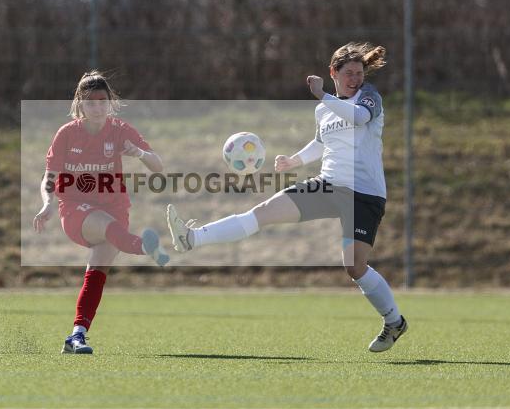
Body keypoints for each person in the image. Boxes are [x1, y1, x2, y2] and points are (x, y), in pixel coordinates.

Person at [166, 42, 407, 352]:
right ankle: (191, 238)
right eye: (348, 73)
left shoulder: (368, 96)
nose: (355, 79)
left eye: (359, 73)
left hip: (364, 194)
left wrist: (323, 94)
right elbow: (321, 143)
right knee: (263, 212)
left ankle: (394, 321)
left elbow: (359, 118)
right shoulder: (324, 110)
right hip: (328, 186)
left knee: (355, 267)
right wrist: (295, 160)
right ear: (333, 72)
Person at [34, 71, 169, 355]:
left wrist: (139, 153)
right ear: (80, 104)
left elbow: (157, 165)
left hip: (115, 208)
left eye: (102, 101)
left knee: (95, 274)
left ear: (110, 102)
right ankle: (147, 247)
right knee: (108, 227)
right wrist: (47, 204)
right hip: (75, 210)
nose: (97, 108)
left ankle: (77, 334)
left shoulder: (120, 130)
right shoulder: (67, 133)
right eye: (90, 102)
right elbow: (50, 176)